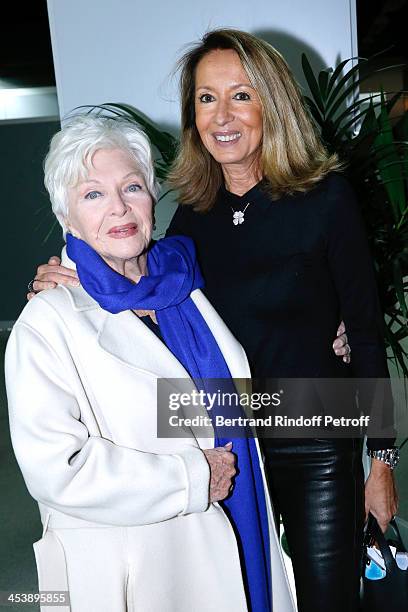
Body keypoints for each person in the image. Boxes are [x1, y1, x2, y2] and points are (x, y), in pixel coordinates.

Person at [27, 29, 399, 612]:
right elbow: (137, 281)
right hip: (231, 443)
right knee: (246, 592)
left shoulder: (326, 200)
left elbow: (368, 332)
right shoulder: (192, 221)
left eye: (241, 95)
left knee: (327, 599)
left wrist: (381, 461)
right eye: (206, 99)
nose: (222, 116)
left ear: (270, 106)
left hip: (315, 433)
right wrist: (65, 272)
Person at [6, 115, 296, 612]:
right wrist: (190, 478)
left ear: (151, 198)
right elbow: (58, 469)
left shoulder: (185, 283)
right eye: (92, 194)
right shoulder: (48, 322)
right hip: (141, 569)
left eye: (132, 186)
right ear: (67, 217)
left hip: (239, 522)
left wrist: (337, 334)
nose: (118, 207)